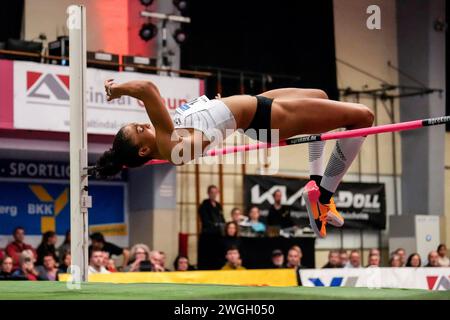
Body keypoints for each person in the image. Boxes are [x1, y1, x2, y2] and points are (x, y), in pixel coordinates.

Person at [97, 80, 374, 240]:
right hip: (264, 119)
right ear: (144, 151)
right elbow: (146, 88)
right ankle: (323, 196)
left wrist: (212, 106)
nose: (143, 125)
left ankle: (315, 183)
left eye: (138, 123)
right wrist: (116, 89)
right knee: (363, 117)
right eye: (138, 130)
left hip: (255, 104)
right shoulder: (170, 146)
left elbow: (197, 114)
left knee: (321, 97)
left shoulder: (164, 132)